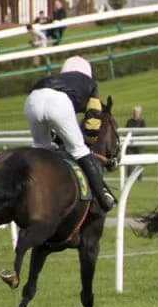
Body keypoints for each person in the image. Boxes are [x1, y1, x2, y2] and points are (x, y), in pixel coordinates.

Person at [23, 56, 116, 211]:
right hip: (58, 103)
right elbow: (93, 118)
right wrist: (89, 142)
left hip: (32, 100)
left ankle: (27, 191)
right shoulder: (90, 84)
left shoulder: (54, 79)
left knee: (41, 149)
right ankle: (103, 198)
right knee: (80, 150)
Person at [125, 105, 147, 180]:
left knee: (139, 161)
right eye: (134, 112)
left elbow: (143, 132)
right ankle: (129, 177)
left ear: (140, 113)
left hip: (139, 145)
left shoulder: (142, 122)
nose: (135, 113)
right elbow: (126, 131)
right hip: (130, 144)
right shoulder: (129, 121)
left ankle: (139, 177)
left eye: (137, 112)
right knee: (129, 161)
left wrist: (134, 136)